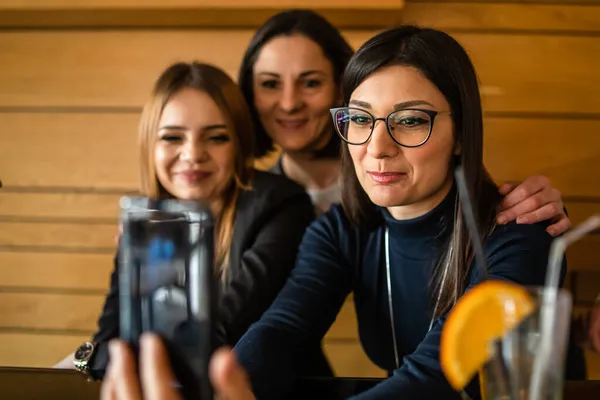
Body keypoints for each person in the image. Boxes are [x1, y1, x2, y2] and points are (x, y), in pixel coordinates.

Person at [230, 25, 572, 399]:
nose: (377, 147)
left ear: (461, 134)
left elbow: (434, 377)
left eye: (410, 121)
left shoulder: (520, 231)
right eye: (360, 119)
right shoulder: (341, 230)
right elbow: (282, 331)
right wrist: (229, 387)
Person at [54, 62, 316, 380]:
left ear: (240, 144)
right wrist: (101, 354)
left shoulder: (282, 206)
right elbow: (112, 333)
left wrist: (95, 356)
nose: (192, 154)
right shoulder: (146, 218)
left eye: (217, 138)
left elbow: (220, 333)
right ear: (151, 145)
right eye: (172, 137)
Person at [239, 9, 571, 235]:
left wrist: (533, 212)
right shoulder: (252, 199)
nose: (288, 103)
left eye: (310, 83)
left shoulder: (408, 175)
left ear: (344, 89)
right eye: (270, 84)